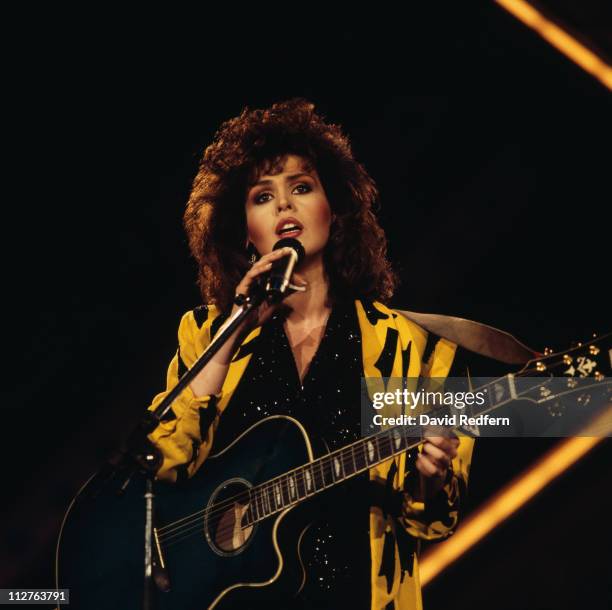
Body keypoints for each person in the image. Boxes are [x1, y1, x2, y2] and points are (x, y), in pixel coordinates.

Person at [147, 98, 474, 610]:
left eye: (301, 187)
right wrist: (234, 328)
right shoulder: (208, 334)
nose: (284, 206)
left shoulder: (407, 348)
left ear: (333, 208)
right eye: (262, 196)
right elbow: (160, 467)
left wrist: (431, 479)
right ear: (245, 229)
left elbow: (428, 521)